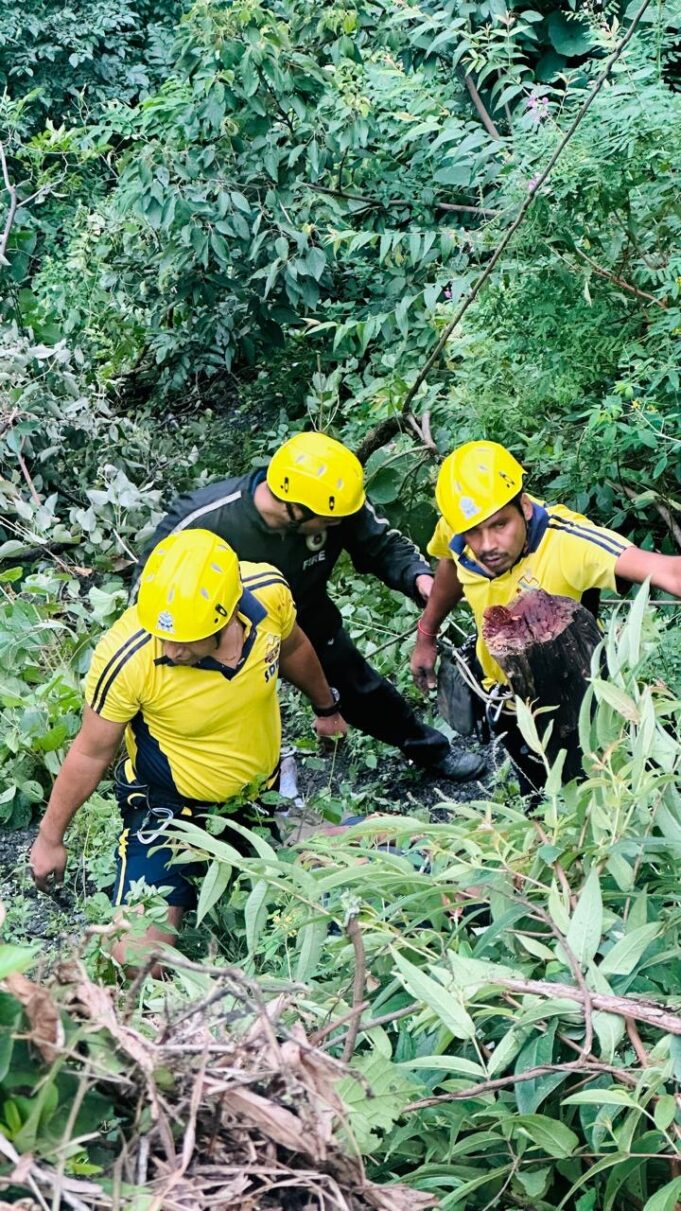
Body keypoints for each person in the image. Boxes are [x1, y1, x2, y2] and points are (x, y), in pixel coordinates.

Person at [29, 529, 347, 969]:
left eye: (187, 639)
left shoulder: (268, 595)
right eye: (164, 633)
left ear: (227, 615)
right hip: (172, 811)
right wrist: (50, 838)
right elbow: (90, 752)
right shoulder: (128, 658)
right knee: (134, 959)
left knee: (356, 879)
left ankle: (278, 830)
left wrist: (326, 707)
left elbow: (292, 646)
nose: (172, 649)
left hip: (261, 795)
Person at [137, 432, 485, 781]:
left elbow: (379, 545)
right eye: (330, 522)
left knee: (362, 688)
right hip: (219, 636)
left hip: (309, 614)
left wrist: (419, 579)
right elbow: (148, 591)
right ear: (296, 509)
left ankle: (432, 752)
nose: (338, 526)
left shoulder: (334, 506)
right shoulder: (206, 520)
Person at [411, 440, 681, 789]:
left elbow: (669, 572)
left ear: (524, 506)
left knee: (594, 790)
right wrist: (426, 635)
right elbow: (450, 563)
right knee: (540, 793)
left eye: (499, 526)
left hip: (579, 703)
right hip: (509, 704)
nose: (487, 545)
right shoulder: (460, 526)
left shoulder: (569, 543)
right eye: (473, 532)